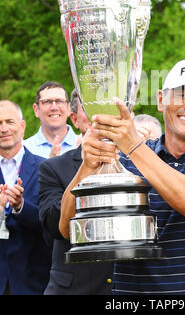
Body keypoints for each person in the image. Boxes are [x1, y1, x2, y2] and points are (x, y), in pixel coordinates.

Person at [59, 58, 185, 295]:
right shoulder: (127, 160)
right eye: (181, 96)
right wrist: (87, 166)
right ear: (160, 100)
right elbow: (68, 228)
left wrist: (134, 146)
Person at [39, 90, 113, 295]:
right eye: (91, 110)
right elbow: (54, 226)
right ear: (74, 119)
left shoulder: (136, 164)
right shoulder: (52, 168)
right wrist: (86, 169)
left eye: (106, 109)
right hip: (74, 288)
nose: (99, 117)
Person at [0, 100, 52, 295]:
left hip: (34, 280)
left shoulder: (46, 168)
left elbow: (52, 222)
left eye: (9, 122)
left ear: (22, 127)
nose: (4, 129)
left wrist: (20, 206)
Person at [24, 81, 78, 158]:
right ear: (36, 109)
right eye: (47, 102)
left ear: (69, 108)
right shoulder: (25, 150)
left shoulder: (84, 145)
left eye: (59, 101)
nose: (54, 108)